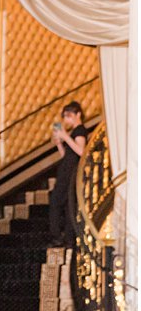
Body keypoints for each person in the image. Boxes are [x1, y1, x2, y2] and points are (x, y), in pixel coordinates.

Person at [49, 101, 90, 247]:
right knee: (67, 205)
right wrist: (60, 143)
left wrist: (65, 137)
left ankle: (58, 237)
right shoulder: (74, 132)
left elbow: (81, 152)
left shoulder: (79, 131)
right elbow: (67, 156)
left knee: (56, 203)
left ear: (78, 114)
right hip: (67, 171)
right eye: (65, 116)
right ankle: (68, 239)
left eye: (69, 115)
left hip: (70, 173)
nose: (67, 119)